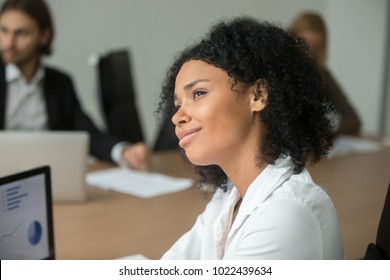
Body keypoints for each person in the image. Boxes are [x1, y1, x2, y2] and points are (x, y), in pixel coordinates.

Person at [157, 17, 344, 259]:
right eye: (178, 104)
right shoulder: (228, 197)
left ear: (258, 95)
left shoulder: (286, 214)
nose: (177, 117)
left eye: (198, 93)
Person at [0, 0, 149, 170]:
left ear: (44, 36)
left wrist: (123, 152)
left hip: (51, 175)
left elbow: (87, 134)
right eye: (3, 31)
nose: (8, 43)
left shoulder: (59, 83)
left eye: (21, 33)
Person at [289, 12, 361, 136]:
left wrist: (328, 135)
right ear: (291, 40)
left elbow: (353, 120)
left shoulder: (322, 74)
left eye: (315, 49)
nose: (309, 54)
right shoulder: (275, 71)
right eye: (304, 46)